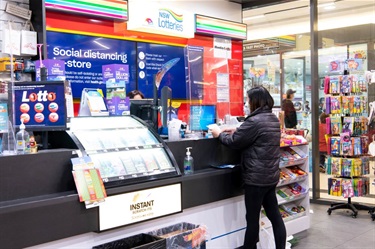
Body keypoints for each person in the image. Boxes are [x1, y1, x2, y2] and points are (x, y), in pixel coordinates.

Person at [210, 86, 286, 249]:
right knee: (275, 217)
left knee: (252, 220)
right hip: (270, 177)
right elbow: (256, 133)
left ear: (255, 101)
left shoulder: (253, 121)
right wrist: (238, 129)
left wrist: (218, 133)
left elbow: (233, 142)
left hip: (255, 179)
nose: (246, 103)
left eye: (247, 100)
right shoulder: (272, 118)